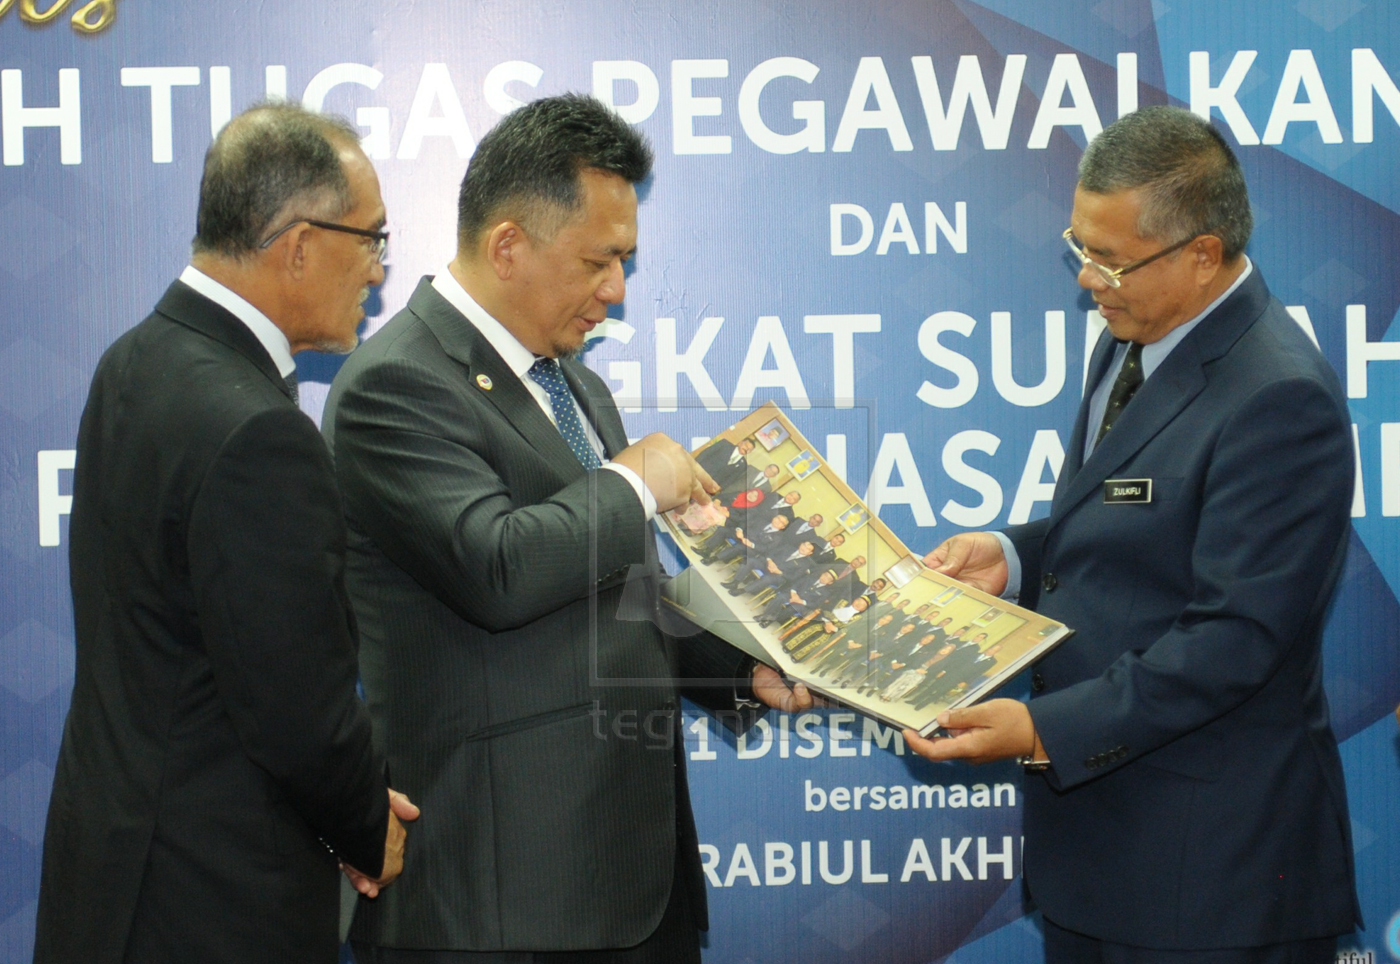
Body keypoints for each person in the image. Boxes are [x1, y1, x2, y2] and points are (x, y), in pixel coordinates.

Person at [321, 93, 810, 963]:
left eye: (624, 261)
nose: (616, 291)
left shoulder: (574, 383)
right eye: (599, 261)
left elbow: (618, 594)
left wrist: (740, 664)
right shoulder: (393, 384)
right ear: (508, 245)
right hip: (501, 905)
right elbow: (497, 569)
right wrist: (631, 484)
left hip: (636, 883)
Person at [905, 105, 1359, 962]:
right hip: (1099, 860)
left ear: (1202, 254)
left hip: (1212, 879)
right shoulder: (1134, 333)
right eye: (1080, 248)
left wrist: (1041, 730)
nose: (1088, 279)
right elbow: (1132, 524)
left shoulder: (1280, 397)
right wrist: (1014, 557)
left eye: (1109, 259)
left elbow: (1233, 640)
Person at [33, 102, 418, 964]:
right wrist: (367, 824)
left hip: (113, 882)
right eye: (371, 240)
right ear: (301, 244)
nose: (377, 270)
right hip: (215, 904)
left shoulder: (135, 361)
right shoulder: (259, 432)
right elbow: (299, 714)